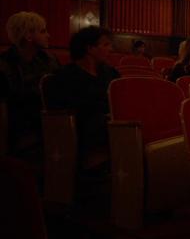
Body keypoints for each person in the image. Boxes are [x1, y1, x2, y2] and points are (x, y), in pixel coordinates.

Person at [45, 26, 120, 170]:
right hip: (83, 132)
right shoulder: (64, 77)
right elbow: (65, 116)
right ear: (90, 48)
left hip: (111, 127)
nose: (111, 48)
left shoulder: (111, 73)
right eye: (105, 44)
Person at [0, 12, 60, 160]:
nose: (49, 35)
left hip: (50, 122)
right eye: (43, 31)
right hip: (22, 128)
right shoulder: (4, 66)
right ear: (28, 36)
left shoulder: (50, 60)